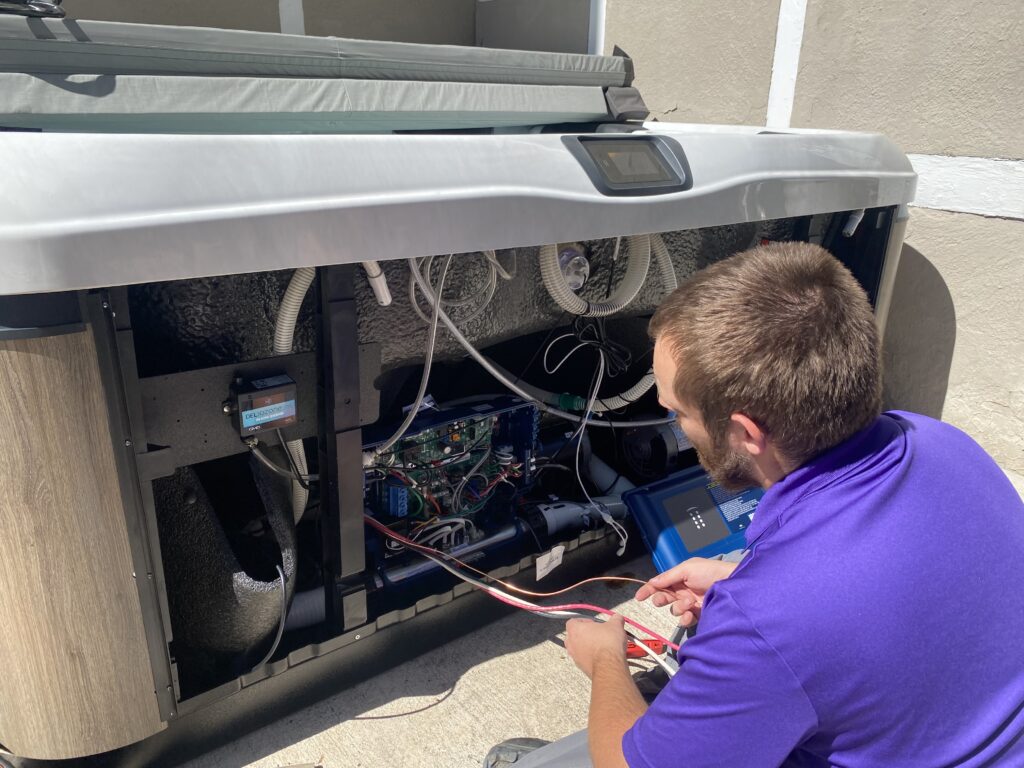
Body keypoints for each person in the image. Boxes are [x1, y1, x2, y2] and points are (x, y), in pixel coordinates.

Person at [486, 241, 1024, 768]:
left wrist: (606, 662)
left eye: (678, 412)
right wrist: (738, 579)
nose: (677, 425)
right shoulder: (942, 442)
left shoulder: (772, 618)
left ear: (745, 433)